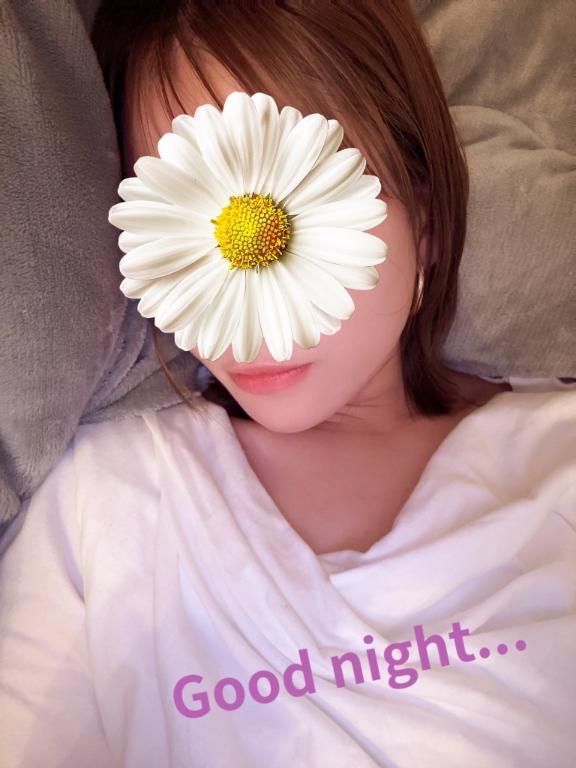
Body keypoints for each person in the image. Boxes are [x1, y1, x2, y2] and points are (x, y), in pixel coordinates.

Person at [0, 2, 574, 766]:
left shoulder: (559, 459)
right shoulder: (100, 497)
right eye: (187, 221)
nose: (248, 288)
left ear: (426, 217)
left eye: (299, 200)